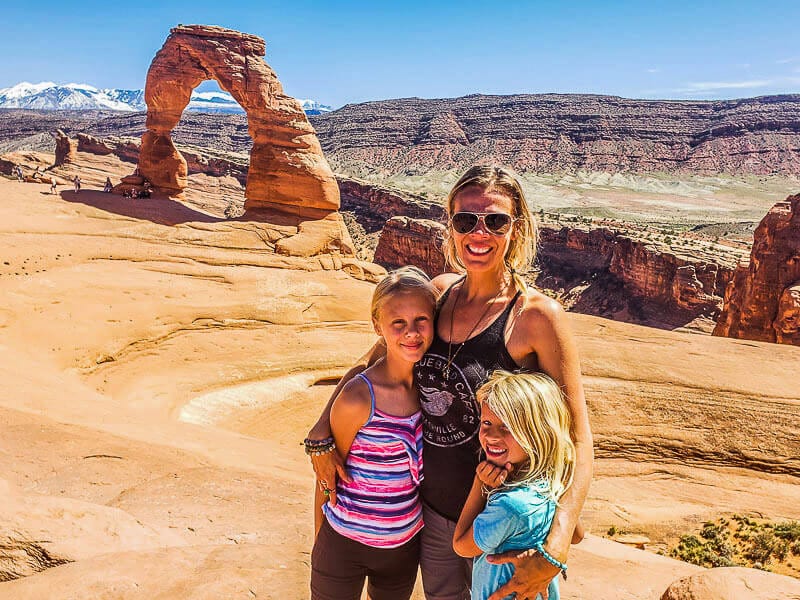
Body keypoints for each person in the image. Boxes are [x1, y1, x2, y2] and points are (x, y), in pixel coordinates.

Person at [308, 165, 593, 600]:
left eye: (495, 220)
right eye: (465, 220)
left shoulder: (536, 317)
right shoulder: (439, 294)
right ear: (451, 226)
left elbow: (578, 436)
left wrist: (557, 542)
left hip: (505, 522)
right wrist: (321, 431)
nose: (479, 232)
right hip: (435, 519)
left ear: (516, 229)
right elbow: (372, 363)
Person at [309, 266, 438, 600]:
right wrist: (320, 544)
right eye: (398, 323)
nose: (411, 332)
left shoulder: (432, 391)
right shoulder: (358, 397)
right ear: (378, 326)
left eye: (421, 320)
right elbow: (327, 471)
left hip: (403, 550)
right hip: (343, 545)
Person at [453, 371, 576, 600]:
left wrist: (480, 484)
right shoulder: (556, 485)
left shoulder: (510, 505)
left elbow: (461, 545)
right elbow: (576, 534)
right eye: (486, 422)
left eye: (507, 426)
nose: (491, 435)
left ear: (539, 433)